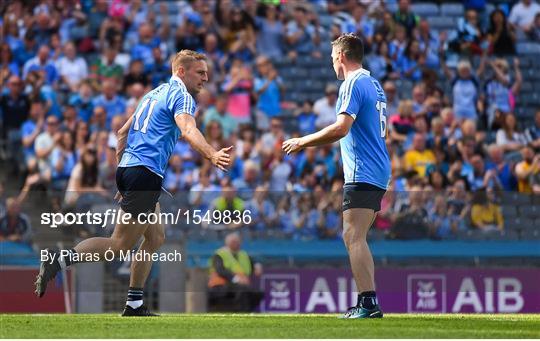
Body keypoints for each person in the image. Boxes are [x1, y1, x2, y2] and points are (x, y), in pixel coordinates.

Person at [35, 50, 233, 316]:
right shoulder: (181, 96)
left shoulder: (152, 94)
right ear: (181, 72)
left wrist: (124, 174)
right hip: (145, 174)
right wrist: (211, 153)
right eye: (200, 72)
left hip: (132, 169)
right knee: (118, 246)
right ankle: (58, 260)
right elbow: (187, 130)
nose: (206, 78)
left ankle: (134, 303)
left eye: (206, 73)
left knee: (156, 237)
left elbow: (121, 133)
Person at [282, 34, 390, 318]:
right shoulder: (374, 83)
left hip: (364, 169)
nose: (332, 62)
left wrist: (303, 141)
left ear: (341, 55)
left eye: (332, 57)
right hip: (377, 167)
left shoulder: (352, 83)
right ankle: (367, 300)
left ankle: (368, 302)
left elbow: (341, 128)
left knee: (353, 235)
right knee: (357, 235)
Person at [207, 232, 264, 312]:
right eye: (234, 242)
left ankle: (249, 314)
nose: (236, 244)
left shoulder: (243, 254)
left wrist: (257, 265)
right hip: (220, 285)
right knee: (242, 290)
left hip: (238, 286)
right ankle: (240, 315)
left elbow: (253, 262)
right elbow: (220, 270)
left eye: (238, 242)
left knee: (257, 293)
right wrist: (236, 279)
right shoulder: (219, 254)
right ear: (228, 243)